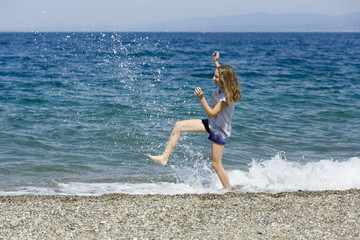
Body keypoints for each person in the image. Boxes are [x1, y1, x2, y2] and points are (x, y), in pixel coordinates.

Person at [147, 51, 242, 191]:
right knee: (179, 125)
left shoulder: (225, 98)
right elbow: (223, 72)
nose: (213, 78)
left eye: (216, 77)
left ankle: (229, 191)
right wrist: (216, 61)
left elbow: (211, 113)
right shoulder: (222, 85)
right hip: (212, 124)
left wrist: (202, 99)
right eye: (214, 75)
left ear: (224, 80)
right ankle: (164, 157)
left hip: (220, 130)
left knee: (216, 165)